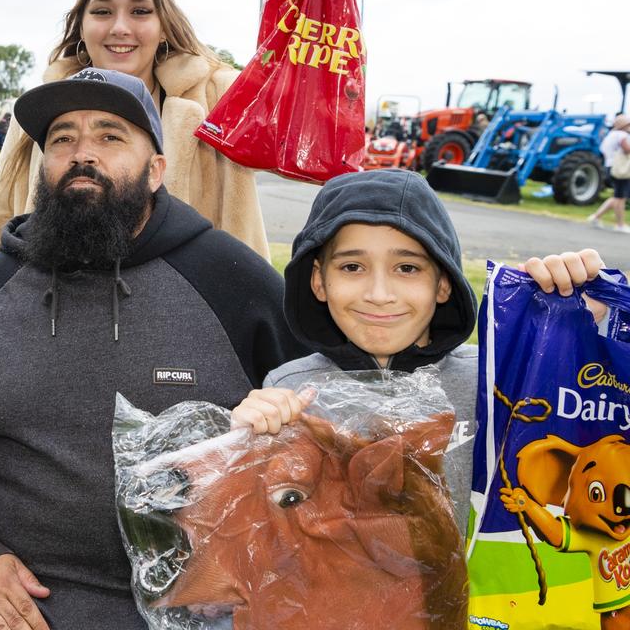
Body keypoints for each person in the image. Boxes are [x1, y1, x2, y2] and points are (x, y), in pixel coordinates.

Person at [0, 68, 306, 630]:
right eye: (62, 139)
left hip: (205, 603)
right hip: (12, 596)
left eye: (109, 135)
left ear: (156, 171)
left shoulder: (235, 282)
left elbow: (319, 436)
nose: (82, 154)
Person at [231, 168, 608, 534]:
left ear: (443, 283)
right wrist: (241, 450)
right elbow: (271, 532)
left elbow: (594, 439)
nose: (379, 294)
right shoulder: (290, 388)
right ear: (318, 281)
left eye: (407, 268)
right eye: (352, 266)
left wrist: (588, 335)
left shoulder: (497, 380)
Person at [0, 0, 352, 265]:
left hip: (197, 319)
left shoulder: (217, 97)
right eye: (102, 11)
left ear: (163, 26)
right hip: (58, 320)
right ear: (82, 25)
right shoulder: (39, 109)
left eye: (140, 11)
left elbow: (304, 131)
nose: (120, 27)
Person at [587, 113, 630, 233]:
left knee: (617, 196)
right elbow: (627, 150)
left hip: (610, 167)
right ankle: (620, 224)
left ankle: (596, 217)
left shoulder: (610, 135)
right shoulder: (622, 135)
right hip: (620, 169)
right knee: (621, 198)